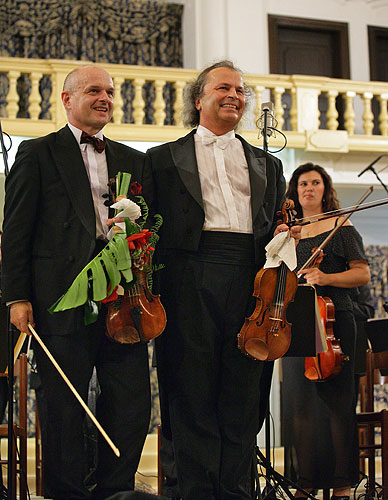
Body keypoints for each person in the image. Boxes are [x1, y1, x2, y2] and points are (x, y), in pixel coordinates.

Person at [142, 60, 300, 500]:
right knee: (190, 388)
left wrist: (284, 236)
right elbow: (150, 234)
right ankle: (194, 490)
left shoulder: (268, 164)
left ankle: (236, 490)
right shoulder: (159, 159)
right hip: (187, 275)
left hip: (249, 279)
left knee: (245, 389)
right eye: (223, 87)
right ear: (199, 99)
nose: (234, 95)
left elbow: (270, 227)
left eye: (240, 90)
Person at [1, 65, 150, 500]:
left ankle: (116, 489)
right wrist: (16, 297)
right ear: (67, 100)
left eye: (109, 91)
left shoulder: (134, 158)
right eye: (93, 91)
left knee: (130, 400)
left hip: (122, 302)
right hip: (60, 300)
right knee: (63, 405)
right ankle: (65, 493)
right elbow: (17, 231)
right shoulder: (36, 153)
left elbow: (147, 232)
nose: (105, 97)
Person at [281, 163, 370, 500]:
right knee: (299, 405)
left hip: (334, 319)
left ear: (324, 188)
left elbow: (361, 275)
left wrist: (327, 278)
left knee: (336, 404)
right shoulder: (288, 233)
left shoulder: (341, 226)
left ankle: (341, 484)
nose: (309, 188)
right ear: (295, 190)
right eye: (303, 183)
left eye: (316, 182)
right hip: (298, 321)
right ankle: (304, 481)